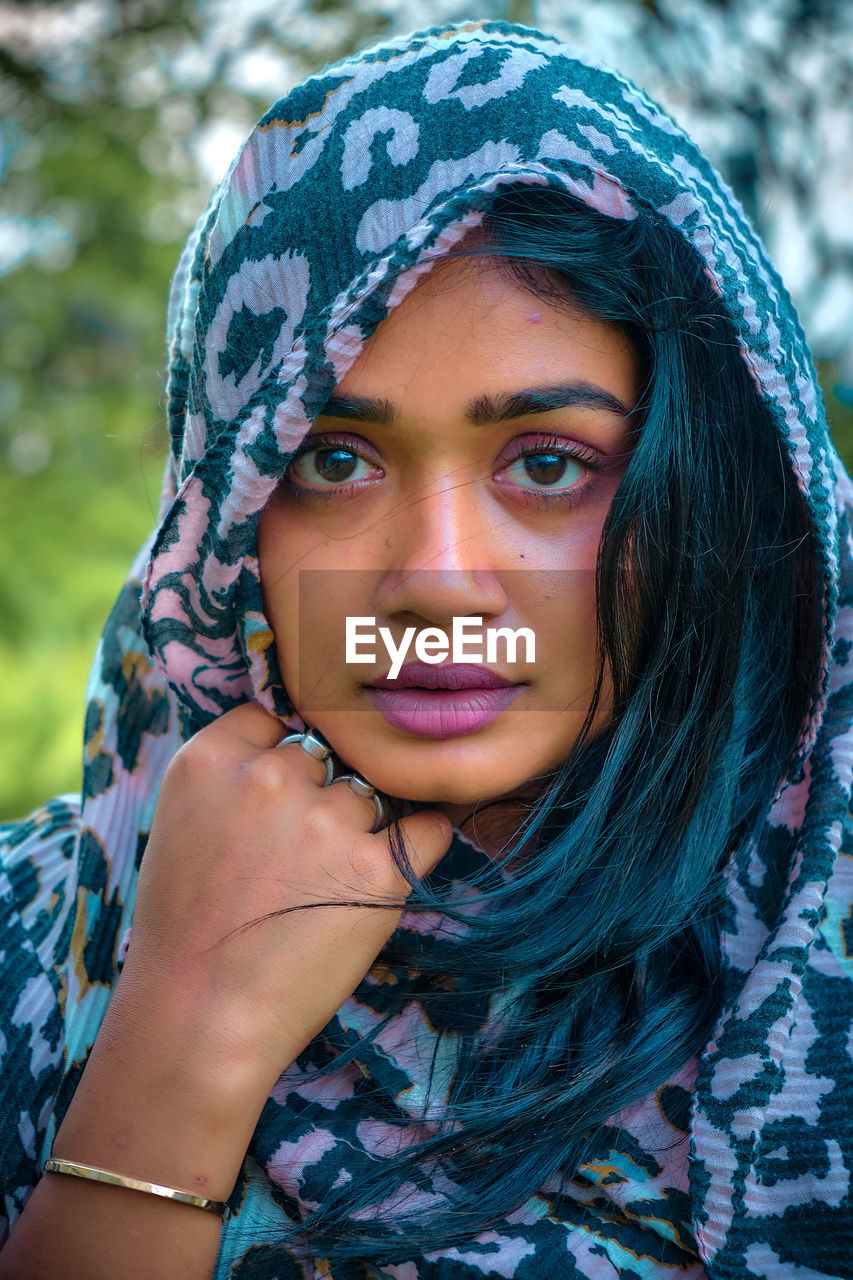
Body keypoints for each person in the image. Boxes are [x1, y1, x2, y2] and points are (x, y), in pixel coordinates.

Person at [0, 17, 851, 1279]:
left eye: (550, 464)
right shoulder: (31, 931)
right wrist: (183, 1031)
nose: (436, 578)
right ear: (227, 521)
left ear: (709, 499)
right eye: (332, 460)